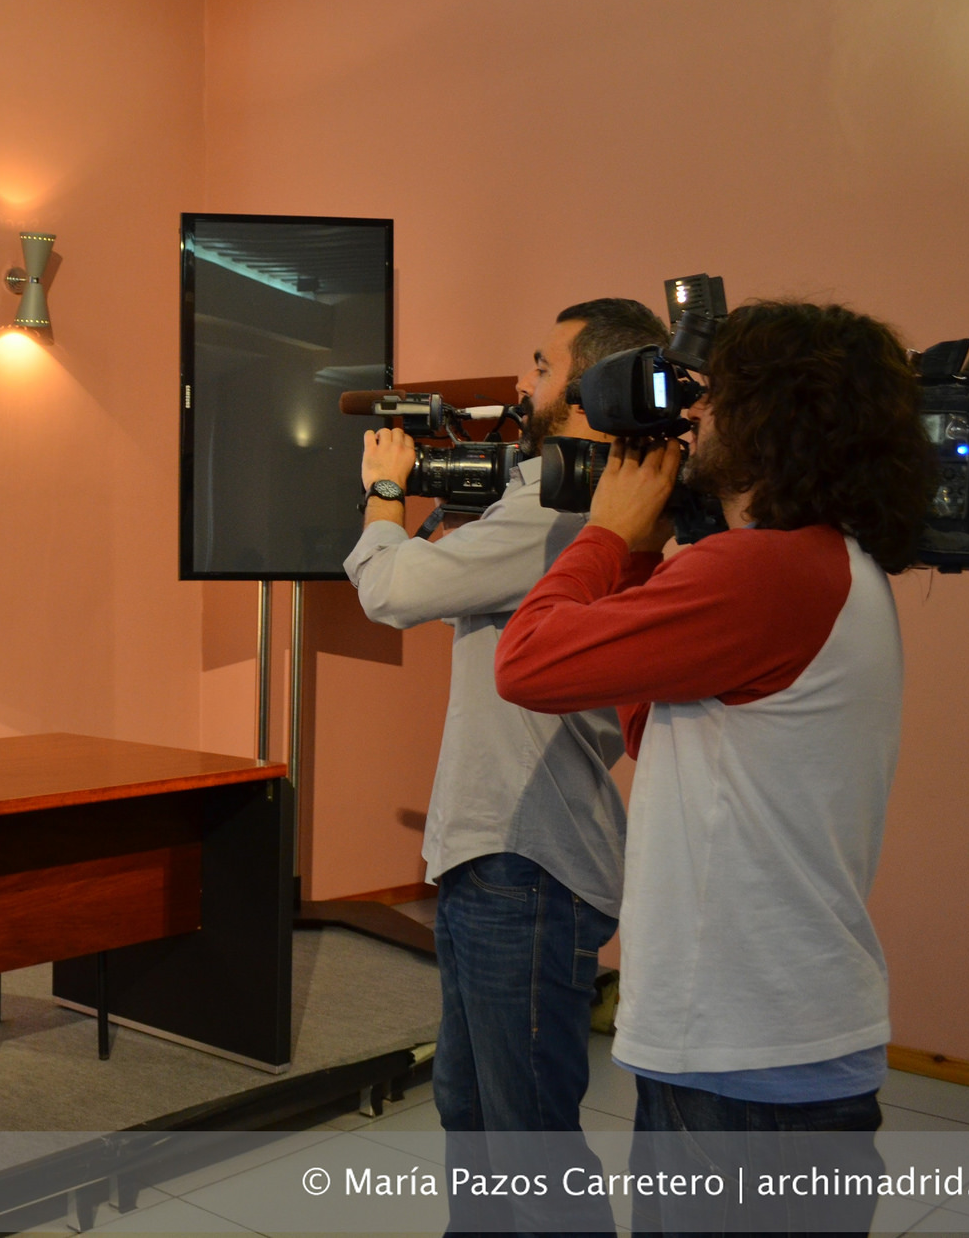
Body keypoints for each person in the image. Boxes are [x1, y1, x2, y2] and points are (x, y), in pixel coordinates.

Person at [493, 301, 935, 1235]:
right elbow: (659, 731)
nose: (691, 413)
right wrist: (643, 559)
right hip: (754, 1040)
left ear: (776, 418)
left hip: (746, 1056)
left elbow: (527, 665)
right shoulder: (821, 565)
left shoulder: (763, 571)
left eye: (716, 394)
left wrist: (606, 535)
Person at [344, 298, 667, 1234]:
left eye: (541, 365)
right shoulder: (547, 500)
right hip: (495, 854)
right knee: (473, 1116)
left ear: (591, 391)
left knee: (527, 1142)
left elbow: (392, 589)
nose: (523, 382)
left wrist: (385, 488)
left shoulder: (562, 511)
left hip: (530, 864)